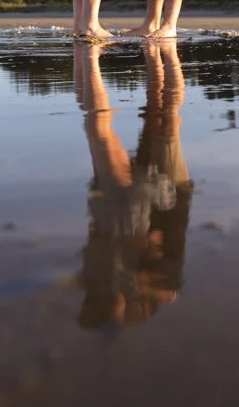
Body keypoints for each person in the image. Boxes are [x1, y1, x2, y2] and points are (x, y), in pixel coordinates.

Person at [72, 41, 192, 331]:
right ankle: (158, 53)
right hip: (165, 201)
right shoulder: (156, 287)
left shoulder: (112, 279)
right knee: (163, 119)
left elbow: (99, 237)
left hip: (137, 205)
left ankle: (95, 57)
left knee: (156, 119)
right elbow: (167, 248)